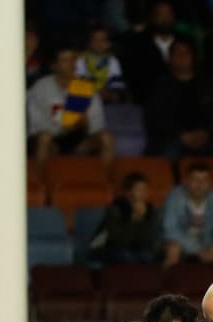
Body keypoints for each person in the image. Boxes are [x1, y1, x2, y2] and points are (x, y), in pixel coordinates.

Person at [27, 46, 114, 178]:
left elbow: (97, 124)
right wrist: (63, 128)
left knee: (107, 138)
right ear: (54, 66)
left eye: (74, 59)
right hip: (52, 140)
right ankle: (40, 187)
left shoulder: (85, 87)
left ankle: (105, 186)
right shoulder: (41, 87)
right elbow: (36, 124)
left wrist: (85, 124)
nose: (72, 64)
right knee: (44, 138)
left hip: (79, 140)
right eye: (65, 60)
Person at [162, 162, 213, 269]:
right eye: (196, 179)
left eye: (204, 180)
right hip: (183, 243)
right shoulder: (175, 197)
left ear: (210, 182)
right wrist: (197, 249)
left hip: (207, 243)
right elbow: (170, 230)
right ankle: (171, 283)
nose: (200, 184)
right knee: (173, 249)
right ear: (186, 181)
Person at [91, 172, 161, 264]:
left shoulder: (149, 209)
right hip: (105, 247)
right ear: (129, 192)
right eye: (139, 190)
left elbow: (147, 240)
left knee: (149, 255)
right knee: (127, 256)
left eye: (145, 189)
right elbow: (118, 241)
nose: (144, 193)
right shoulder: (116, 209)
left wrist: (141, 219)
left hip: (134, 248)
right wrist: (135, 218)